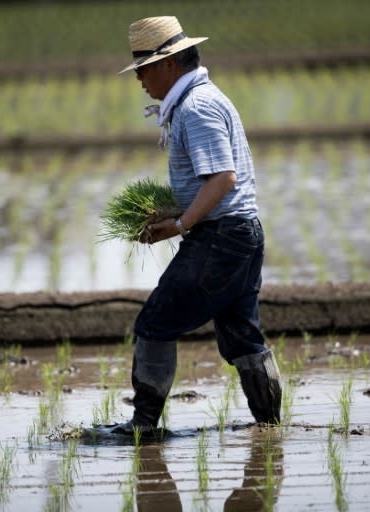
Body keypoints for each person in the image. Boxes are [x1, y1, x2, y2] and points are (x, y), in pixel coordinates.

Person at [113, 16, 282, 434]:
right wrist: (173, 214)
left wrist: (180, 223)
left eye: (142, 69)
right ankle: (271, 427)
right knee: (242, 337)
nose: (139, 79)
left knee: (154, 323)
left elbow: (223, 178)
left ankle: (144, 427)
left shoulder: (196, 107)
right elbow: (216, 182)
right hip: (240, 235)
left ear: (168, 64)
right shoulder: (201, 99)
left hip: (221, 239)